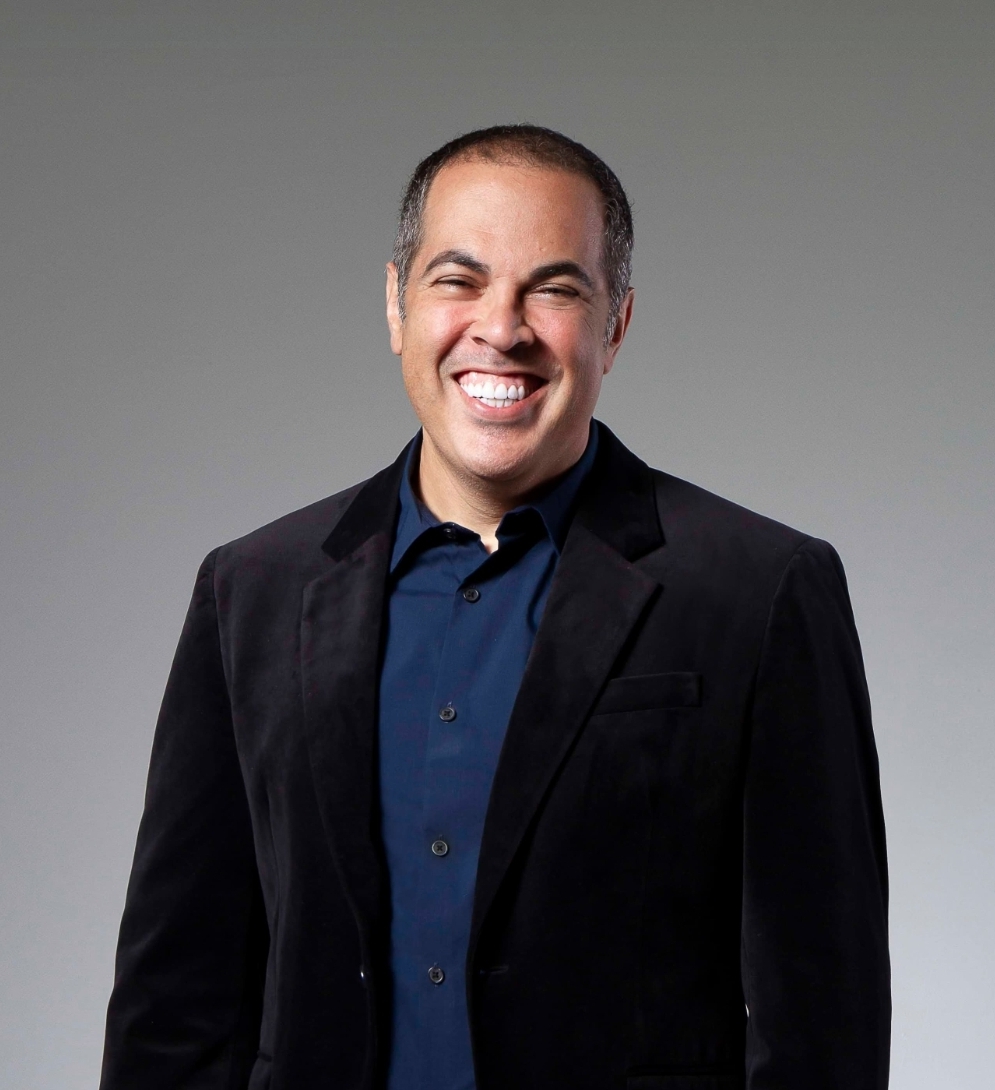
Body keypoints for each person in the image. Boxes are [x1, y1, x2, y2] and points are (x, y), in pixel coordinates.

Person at [99, 125, 890, 1090]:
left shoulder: (759, 589)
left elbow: (823, 1013)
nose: (501, 328)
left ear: (615, 325)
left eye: (554, 289)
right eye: (458, 280)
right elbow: (176, 998)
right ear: (396, 304)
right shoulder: (251, 590)